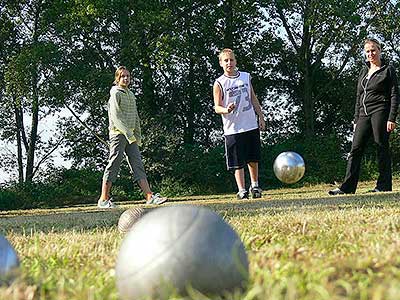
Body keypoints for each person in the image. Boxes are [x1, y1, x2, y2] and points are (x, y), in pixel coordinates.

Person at [329, 38, 399, 195]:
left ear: (380, 50)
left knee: (381, 146)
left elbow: (395, 95)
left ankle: (383, 186)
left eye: (373, 50)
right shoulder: (363, 71)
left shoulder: (388, 70)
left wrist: (391, 117)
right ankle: (346, 188)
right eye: (367, 51)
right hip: (363, 114)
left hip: (380, 110)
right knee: (355, 149)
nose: (370, 53)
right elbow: (358, 97)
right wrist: (356, 119)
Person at [98, 66, 167, 208]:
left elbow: (135, 116)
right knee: (114, 163)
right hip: (118, 134)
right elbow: (116, 117)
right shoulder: (115, 94)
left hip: (130, 136)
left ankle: (149, 196)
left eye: (128, 76)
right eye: (122, 76)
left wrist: (137, 134)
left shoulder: (131, 95)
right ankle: (103, 199)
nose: (126, 78)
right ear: (117, 78)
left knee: (137, 164)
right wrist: (128, 134)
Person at [213, 48, 266, 199]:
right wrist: (226, 109)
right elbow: (216, 107)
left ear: (236, 61)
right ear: (221, 63)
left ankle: (255, 186)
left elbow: (253, 98)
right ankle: (241, 190)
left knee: (253, 158)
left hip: (250, 124)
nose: (229, 63)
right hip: (233, 128)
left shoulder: (245, 77)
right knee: (237, 162)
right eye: (226, 60)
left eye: (232, 60)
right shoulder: (219, 83)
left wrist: (260, 116)